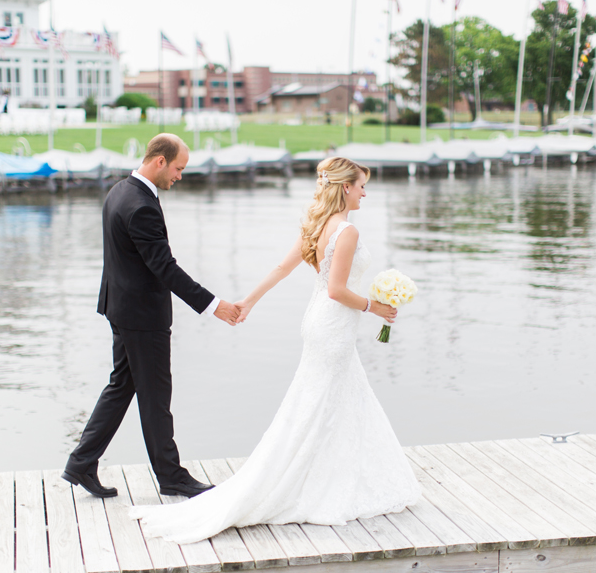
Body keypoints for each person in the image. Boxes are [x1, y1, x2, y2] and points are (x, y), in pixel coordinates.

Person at [131, 156, 420, 544]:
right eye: (362, 186)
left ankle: (325, 476)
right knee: (321, 405)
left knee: (323, 403)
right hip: (333, 326)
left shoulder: (317, 225)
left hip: (319, 323)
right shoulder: (346, 231)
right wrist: (375, 307)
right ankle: (307, 485)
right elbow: (337, 290)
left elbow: (281, 269)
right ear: (345, 187)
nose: (365, 194)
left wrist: (247, 302)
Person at [62, 133, 241, 499]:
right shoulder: (141, 205)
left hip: (120, 307)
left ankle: (81, 463)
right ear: (160, 161)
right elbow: (164, 267)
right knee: (156, 396)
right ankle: (171, 476)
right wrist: (213, 305)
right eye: (178, 168)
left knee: (121, 387)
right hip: (142, 316)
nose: (180, 176)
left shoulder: (120, 191)